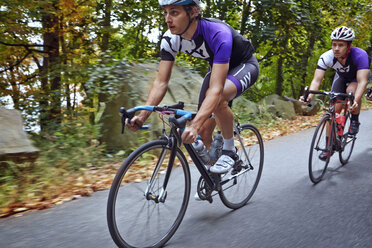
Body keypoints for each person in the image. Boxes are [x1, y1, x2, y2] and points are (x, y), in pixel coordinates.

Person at [126, 0, 259, 174]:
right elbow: (160, 83)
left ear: (193, 12)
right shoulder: (170, 40)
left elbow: (216, 90)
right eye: (165, 13)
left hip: (243, 65)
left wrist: (193, 126)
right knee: (203, 132)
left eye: (174, 12)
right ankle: (214, 177)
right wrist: (142, 116)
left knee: (217, 100)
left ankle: (230, 151)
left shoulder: (218, 32)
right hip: (218, 69)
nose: (167, 19)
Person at [300, 26, 370, 160]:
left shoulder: (360, 55)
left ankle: (354, 120)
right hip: (342, 78)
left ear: (348, 46)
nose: (336, 48)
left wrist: (355, 101)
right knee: (332, 111)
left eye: (341, 45)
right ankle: (329, 146)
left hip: (357, 78)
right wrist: (309, 96)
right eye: (334, 44)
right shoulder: (327, 57)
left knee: (351, 92)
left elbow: (362, 82)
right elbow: (316, 80)